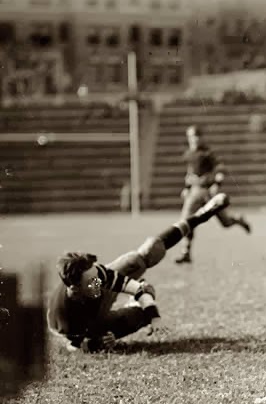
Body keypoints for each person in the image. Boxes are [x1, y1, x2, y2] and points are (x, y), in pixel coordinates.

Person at [47, 193, 228, 352]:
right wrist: (98, 342)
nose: (98, 283)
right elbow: (73, 346)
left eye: (96, 277)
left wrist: (155, 316)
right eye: (91, 281)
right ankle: (132, 308)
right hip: (93, 323)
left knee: (144, 256)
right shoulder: (66, 315)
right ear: (74, 289)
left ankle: (200, 216)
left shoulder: (96, 278)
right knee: (138, 316)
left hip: (92, 310)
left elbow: (134, 287)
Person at [174, 125, 251, 264]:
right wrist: (186, 187)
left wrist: (216, 183)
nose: (194, 139)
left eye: (197, 136)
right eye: (191, 136)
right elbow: (190, 172)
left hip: (207, 192)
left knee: (225, 223)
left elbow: (220, 168)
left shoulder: (207, 153)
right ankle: (186, 252)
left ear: (201, 138)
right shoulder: (188, 154)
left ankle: (238, 220)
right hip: (195, 192)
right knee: (186, 221)